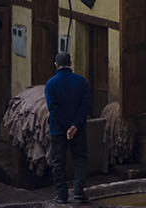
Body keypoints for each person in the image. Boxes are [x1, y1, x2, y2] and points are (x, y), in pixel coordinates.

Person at [43, 51, 91, 203]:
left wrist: (65, 127)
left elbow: (54, 109)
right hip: (78, 128)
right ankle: (78, 191)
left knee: (58, 162)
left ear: (55, 65)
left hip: (58, 129)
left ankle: (62, 196)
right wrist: (74, 126)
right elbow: (85, 105)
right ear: (70, 64)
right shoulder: (81, 81)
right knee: (80, 159)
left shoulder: (50, 84)